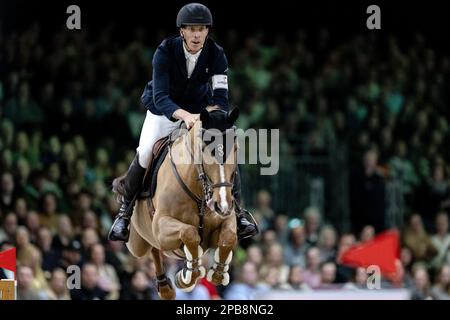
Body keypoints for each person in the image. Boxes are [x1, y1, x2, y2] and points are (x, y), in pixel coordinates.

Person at [108, 3, 258, 242]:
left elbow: (220, 96)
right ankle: (125, 214)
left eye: (201, 29)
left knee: (224, 151)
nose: (197, 34)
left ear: (207, 31)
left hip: (201, 112)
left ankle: (238, 213)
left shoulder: (216, 54)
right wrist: (185, 116)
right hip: (162, 111)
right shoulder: (165, 51)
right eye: (192, 29)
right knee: (146, 151)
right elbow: (161, 97)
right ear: (182, 32)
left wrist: (213, 116)